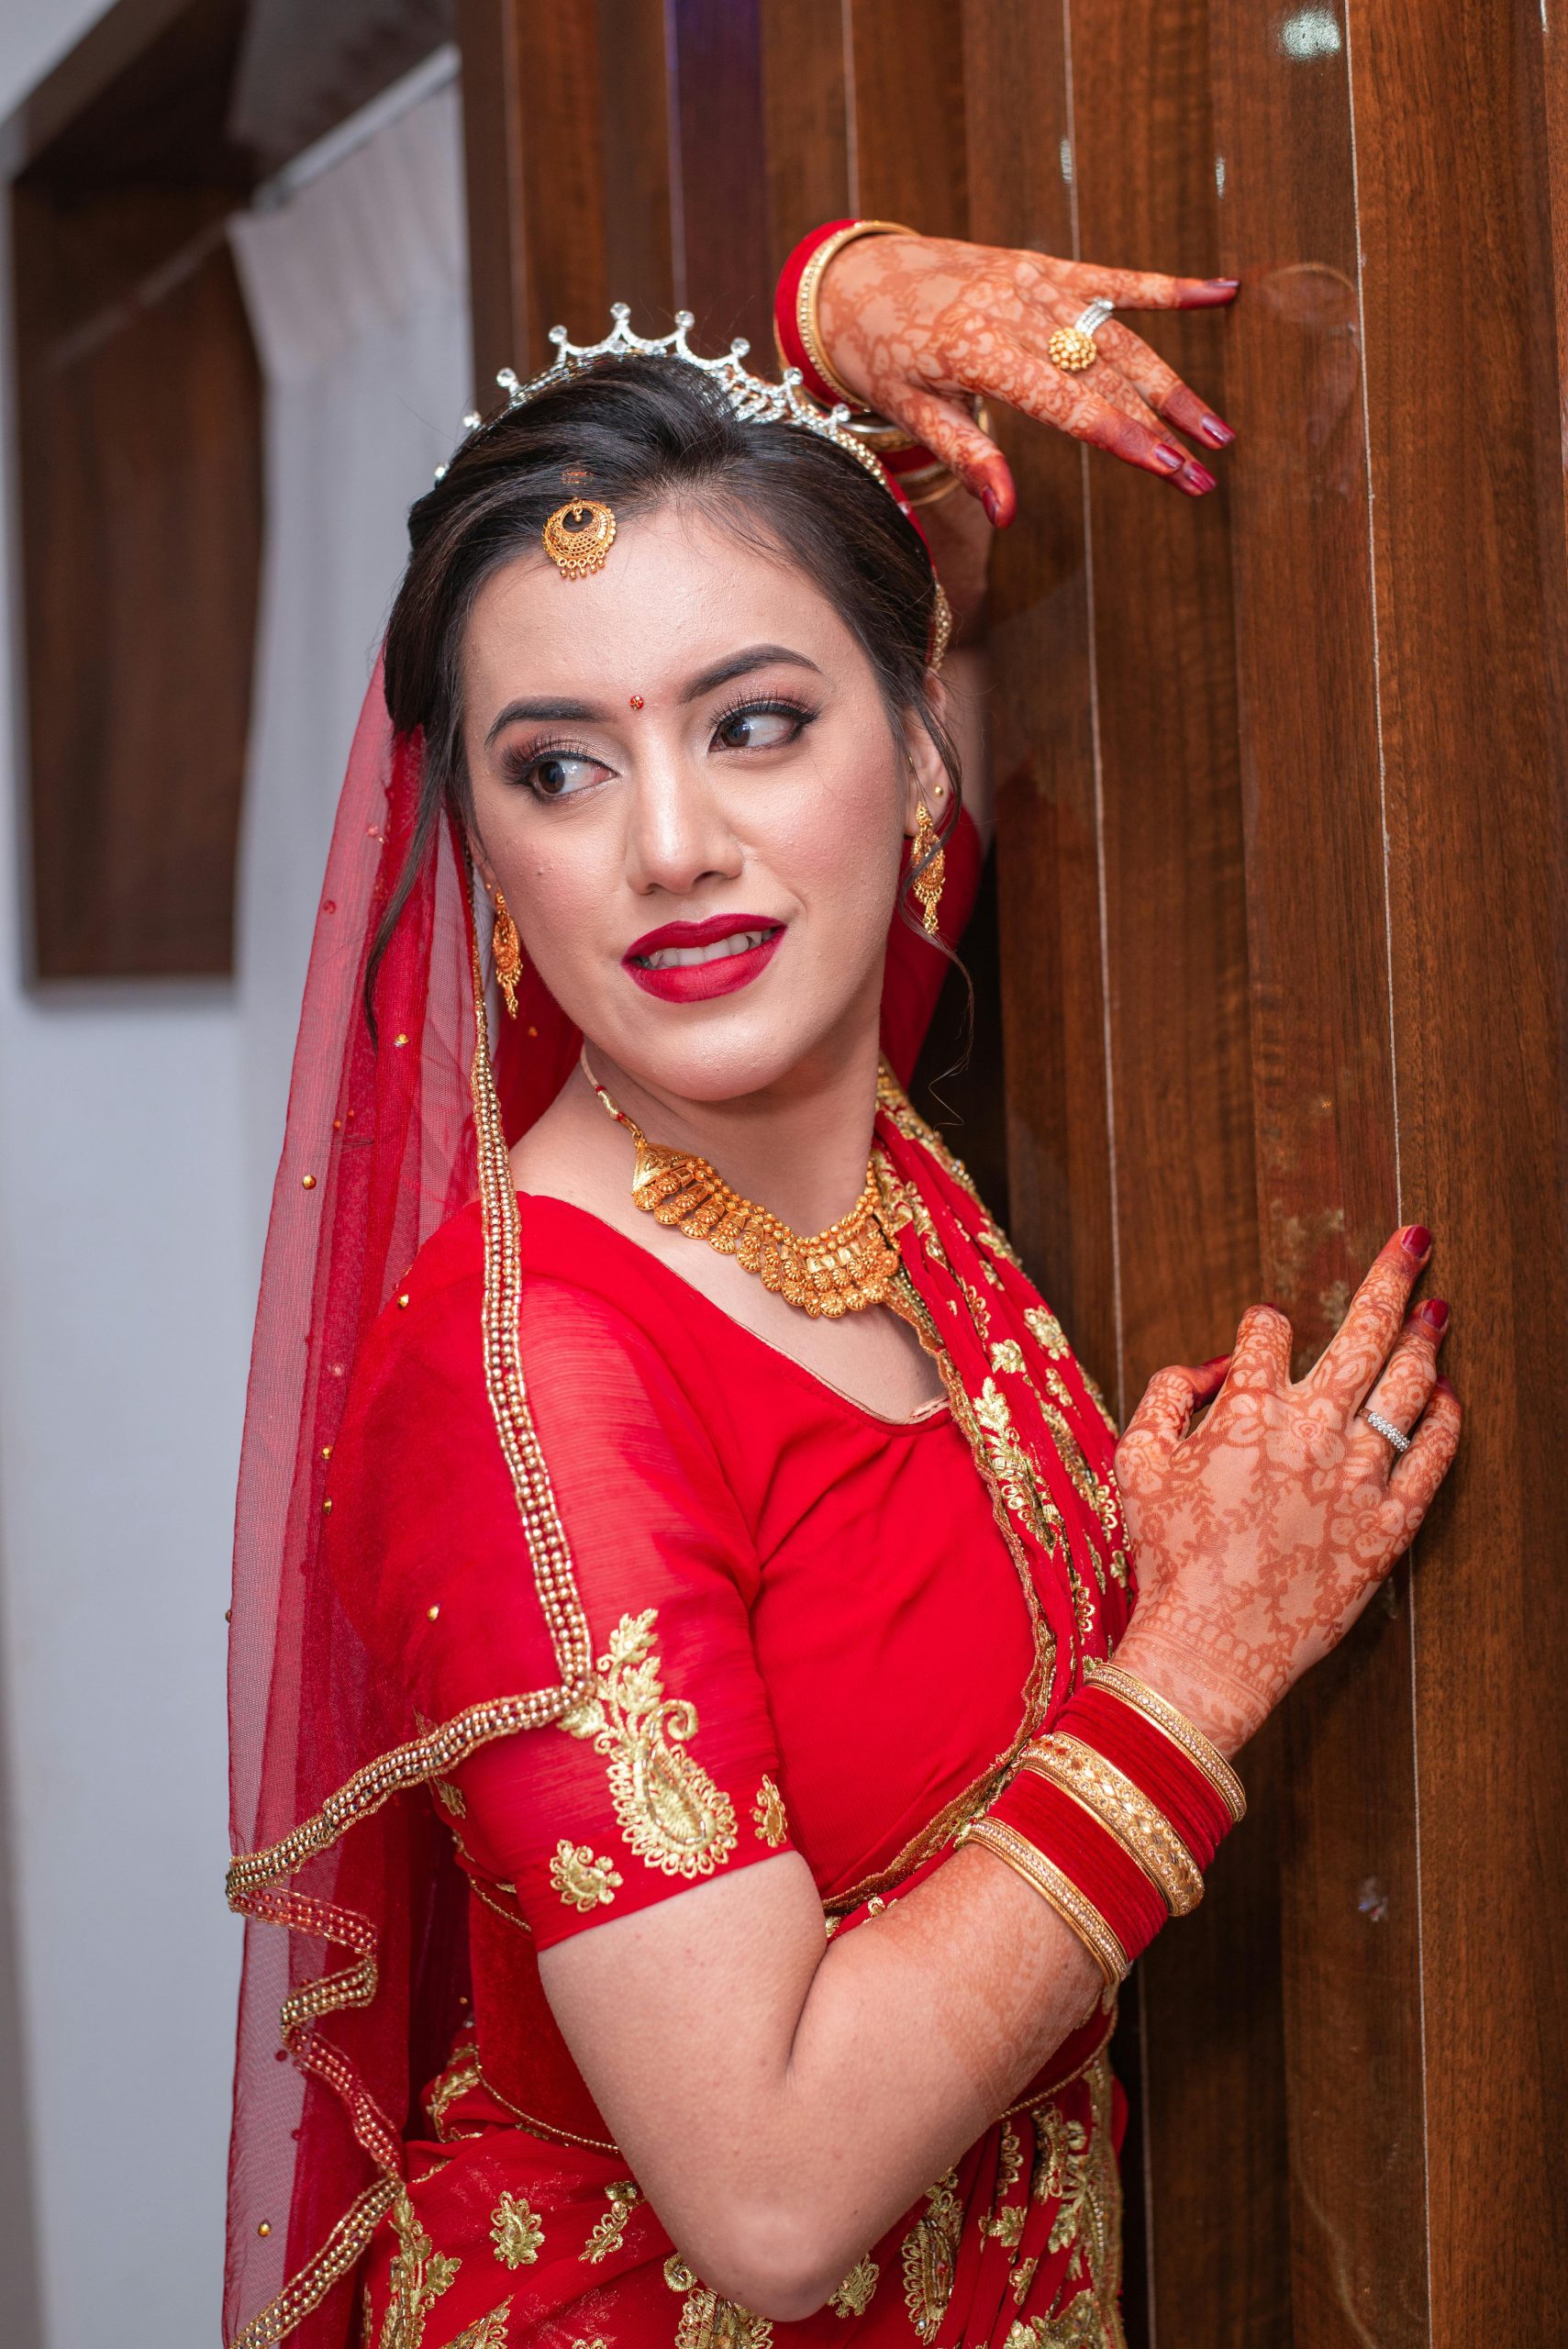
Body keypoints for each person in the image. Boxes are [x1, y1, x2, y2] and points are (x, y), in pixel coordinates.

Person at [223, 224, 1460, 2349]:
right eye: (558, 767)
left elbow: (849, 549)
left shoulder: (829, 1087)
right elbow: (775, 2189)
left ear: (916, 745)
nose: (674, 844)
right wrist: (1201, 1663)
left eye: (758, 723)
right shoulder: (528, 1382)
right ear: (487, 855)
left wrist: (832, 296)